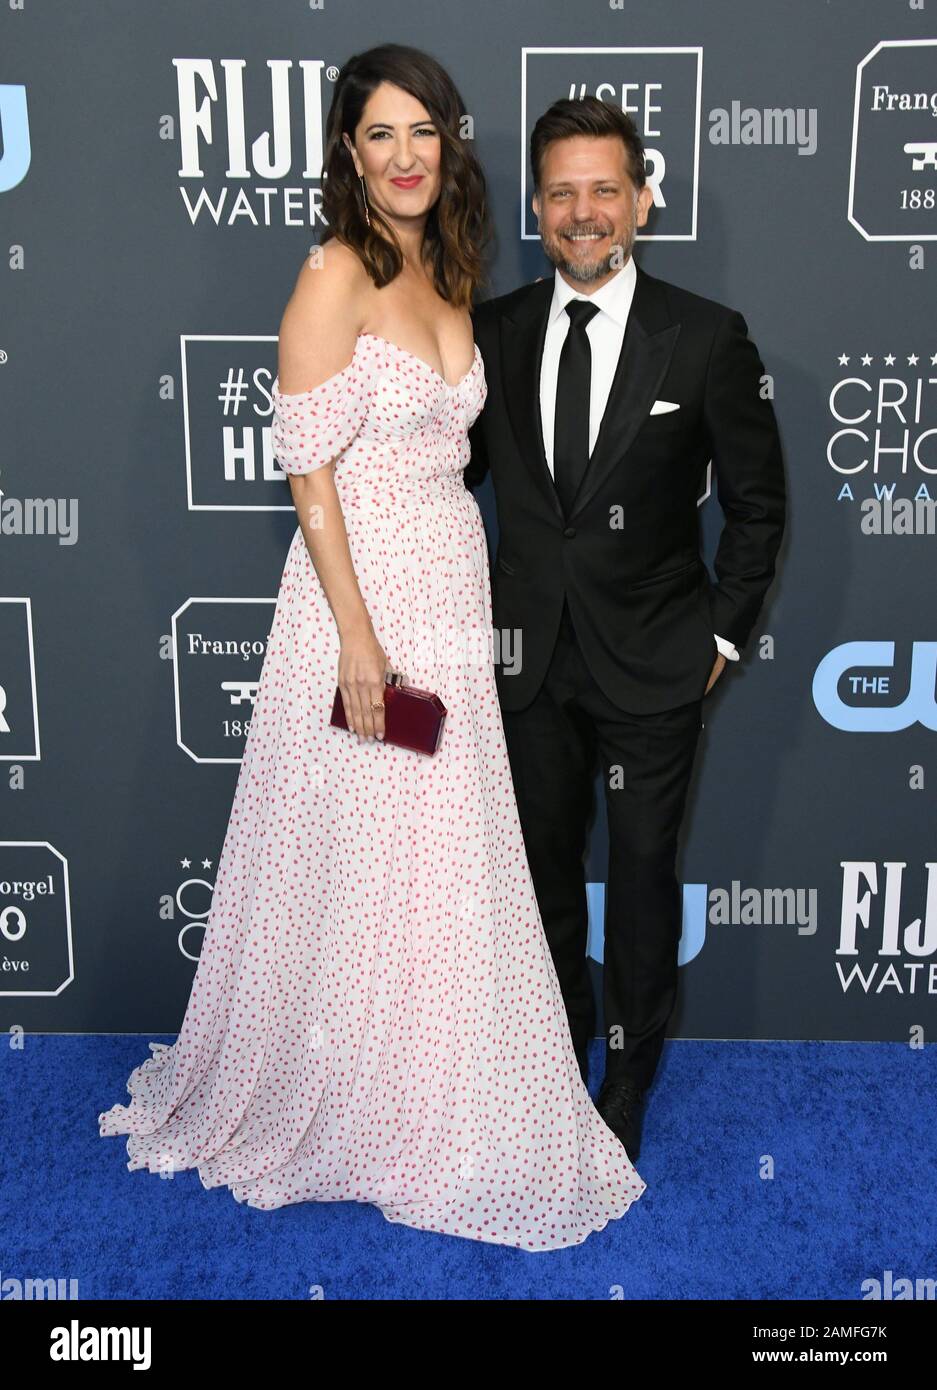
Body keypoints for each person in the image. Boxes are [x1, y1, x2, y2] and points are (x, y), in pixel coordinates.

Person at [98, 48, 646, 1251]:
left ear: (447, 145)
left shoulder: (446, 269)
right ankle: (345, 1096)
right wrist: (355, 636)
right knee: (357, 852)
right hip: (364, 606)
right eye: (379, 134)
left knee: (438, 857)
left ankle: (432, 1083)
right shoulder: (335, 273)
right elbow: (309, 471)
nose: (404, 155)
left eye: (423, 132)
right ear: (347, 152)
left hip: (449, 590)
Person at [465, 97, 786, 1161]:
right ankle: (551, 1063)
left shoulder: (704, 337)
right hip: (525, 668)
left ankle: (629, 1075)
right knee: (545, 880)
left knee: (641, 882)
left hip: (655, 667)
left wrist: (721, 641)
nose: (583, 212)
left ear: (643, 200)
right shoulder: (493, 334)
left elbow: (759, 505)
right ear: (537, 207)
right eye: (561, 192)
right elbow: (441, 480)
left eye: (605, 189)